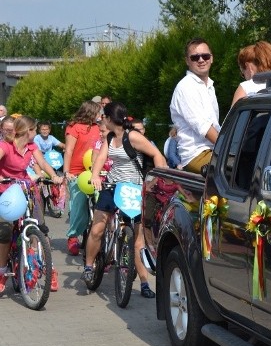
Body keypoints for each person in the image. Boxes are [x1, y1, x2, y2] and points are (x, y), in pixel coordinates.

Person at [83, 102, 166, 299]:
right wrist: (95, 175)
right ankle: (88, 265)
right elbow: (101, 159)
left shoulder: (134, 137)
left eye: (104, 117)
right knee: (97, 229)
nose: (102, 120)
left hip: (133, 190)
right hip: (112, 187)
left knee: (138, 240)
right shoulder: (110, 138)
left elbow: (156, 154)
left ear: (111, 119)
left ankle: (144, 283)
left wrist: (157, 180)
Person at [0, 117, 65, 293]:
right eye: (34, 130)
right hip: (6, 190)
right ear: (26, 131)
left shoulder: (32, 147)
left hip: (25, 188)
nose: (36, 134)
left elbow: (42, 163)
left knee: (40, 228)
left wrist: (54, 176)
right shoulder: (5, 146)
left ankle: (48, 268)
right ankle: (2, 271)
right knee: (5, 231)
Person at [169, 38, 220, 173]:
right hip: (196, 154)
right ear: (187, 61)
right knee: (238, 170)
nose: (201, 60)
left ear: (212, 58)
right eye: (195, 57)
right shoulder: (186, 87)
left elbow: (215, 126)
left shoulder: (209, 86)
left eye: (205, 56)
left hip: (212, 150)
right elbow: (204, 128)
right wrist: (228, 148)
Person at [63, 100, 102, 256]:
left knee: (101, 204)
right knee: (78, 206)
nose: (100, 115)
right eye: (98, 112)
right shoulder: (73, 128)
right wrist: (66, 172)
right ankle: (72, 236)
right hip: (77, 172)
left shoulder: (98, 128)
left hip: (94, 170)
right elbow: (69, 150)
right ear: (91, 112)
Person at [231, 40, 271, 106]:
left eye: (243, 73)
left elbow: (233, 115)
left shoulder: (246, 88)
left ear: (248, 66)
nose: (244, 77)